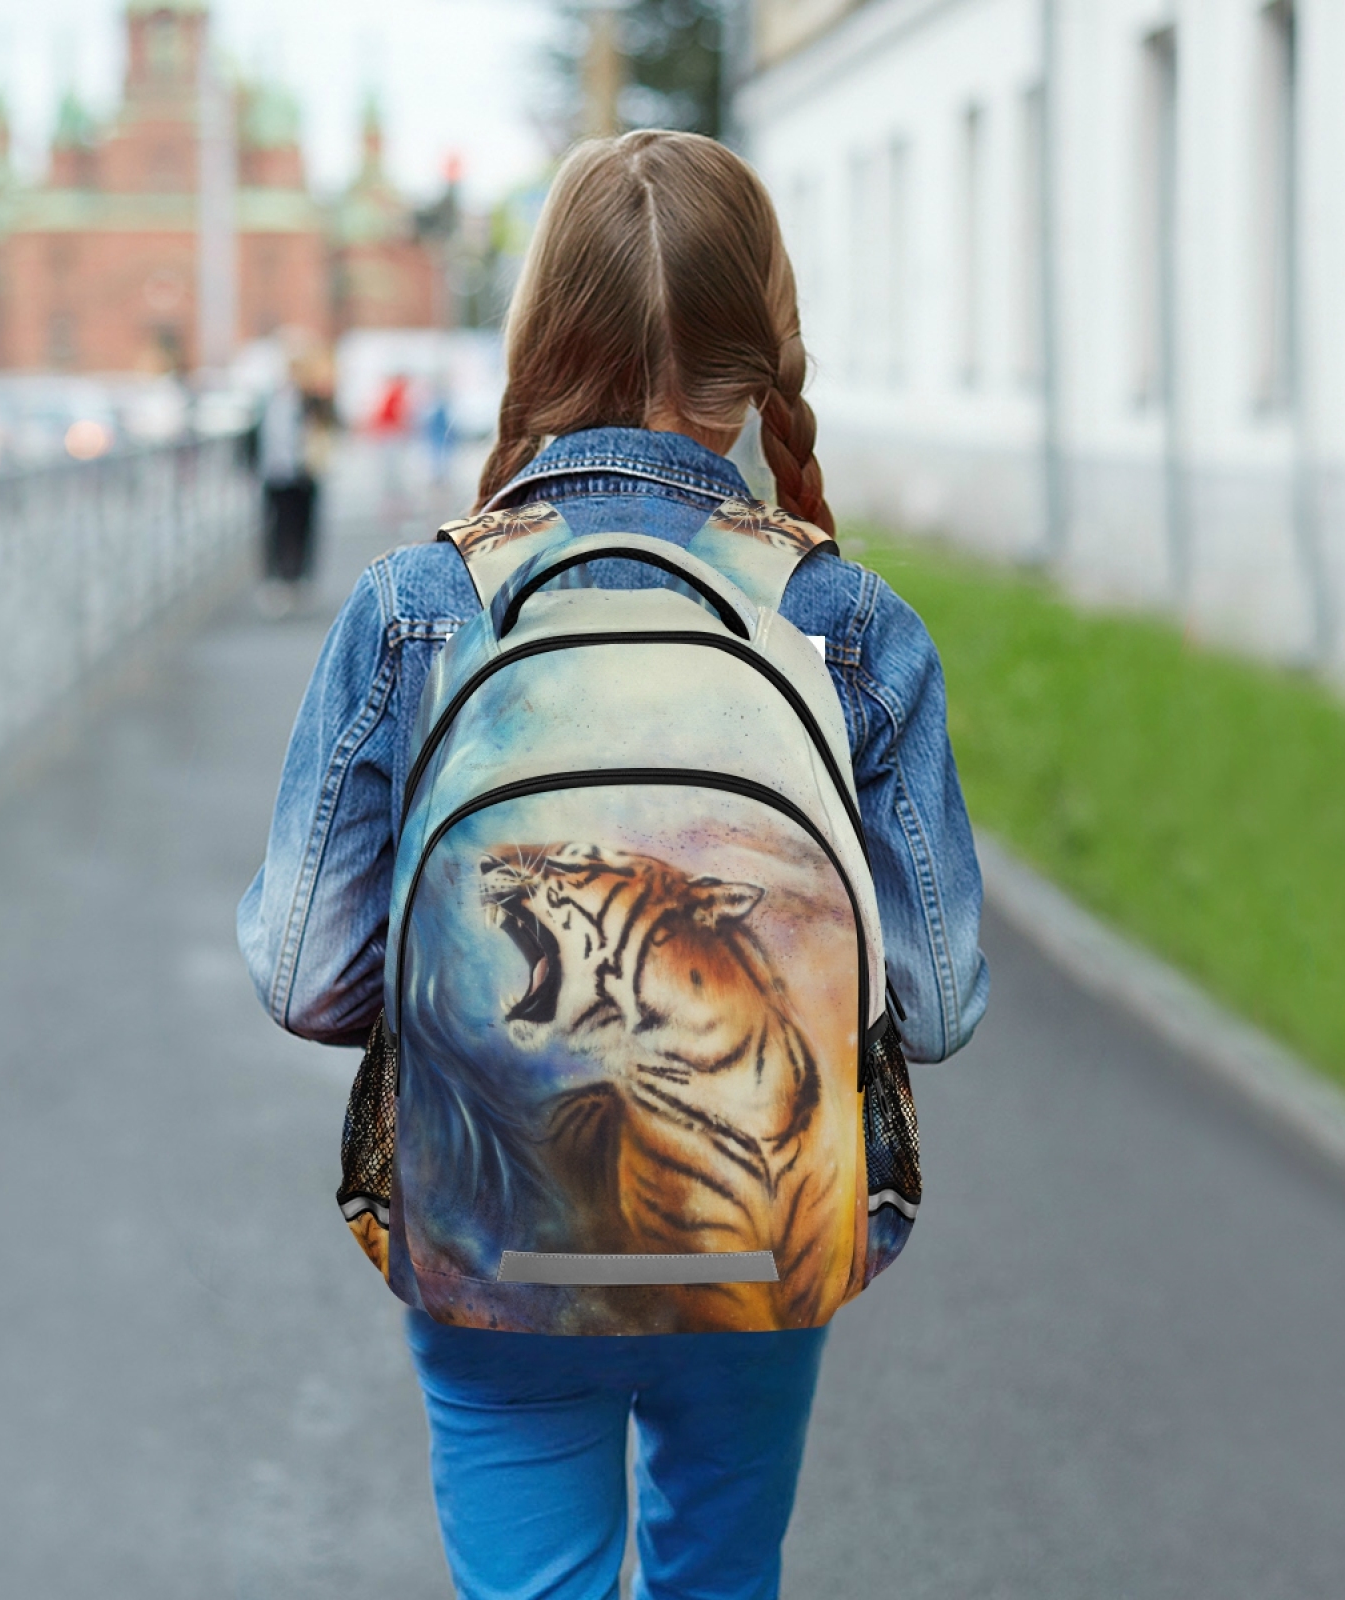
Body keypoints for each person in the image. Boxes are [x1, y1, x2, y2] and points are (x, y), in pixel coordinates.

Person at [238, 130, 988, 1600]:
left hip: (492, 1220)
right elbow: (940, 1005)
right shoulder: (849, 623)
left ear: (540, 328)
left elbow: (303, 976)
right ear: (761, 351)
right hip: (758, 1230)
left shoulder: (419, 606)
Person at [255, 342, 335, 615]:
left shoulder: (312, 399)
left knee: (302, 527)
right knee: (277, 528)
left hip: (303, 474)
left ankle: (298, 578)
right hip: (277, 473)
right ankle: (279, 580)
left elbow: (328, 426)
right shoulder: (273, 397)